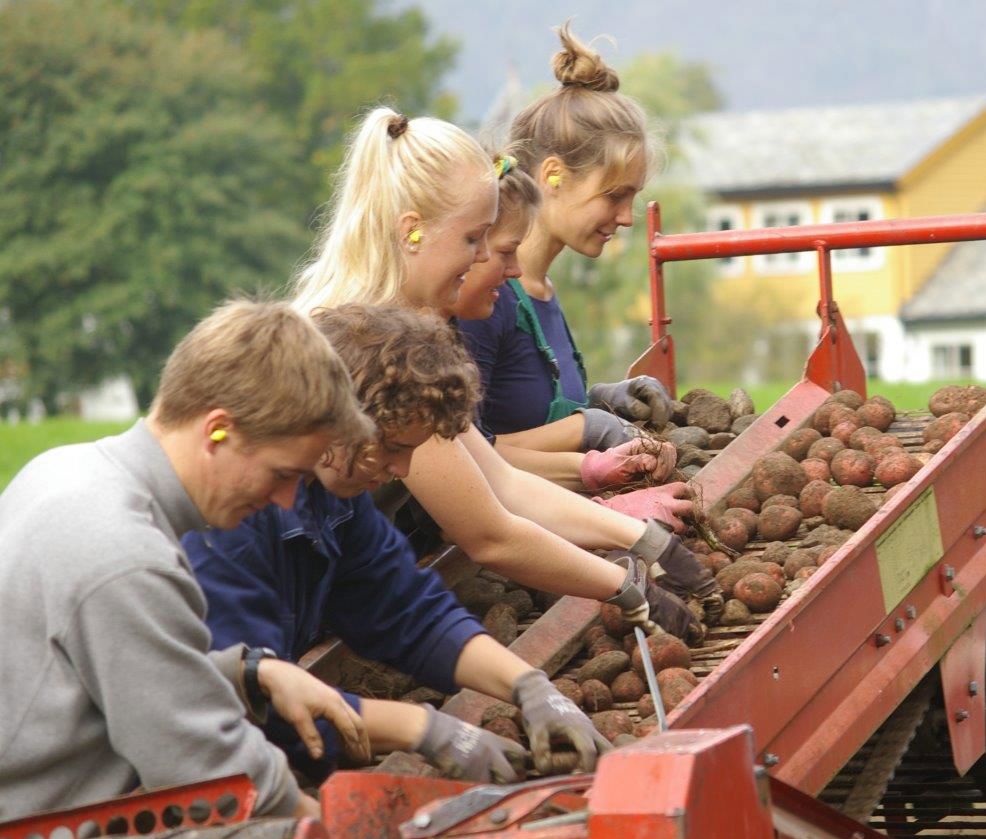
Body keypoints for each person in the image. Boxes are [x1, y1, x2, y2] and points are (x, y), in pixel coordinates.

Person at [290, 109, 720, 626]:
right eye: (475, 240)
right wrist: (624, 586)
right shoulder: (365, 346)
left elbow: (501, 482)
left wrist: (643, 540)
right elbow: (489, 533)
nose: (495, 265)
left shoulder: (400, 333)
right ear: (412, 232)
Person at [186, 304, 615, 780]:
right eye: (392, 448)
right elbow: (254, 703)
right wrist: (426, 729)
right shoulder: (230, 522)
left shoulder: (333, 498)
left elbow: (406, 609)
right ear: (339, 418)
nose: (403, 470)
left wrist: (529, 685)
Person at [0, 302, 373, 819]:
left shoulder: (68, 470)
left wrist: (249, 673)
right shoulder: (124, 551)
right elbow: (210, 771)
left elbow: (101, 679)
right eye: (282, 473)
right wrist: (326, 831)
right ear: (217, 429)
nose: (288, 500)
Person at [457, 22, 675, 445]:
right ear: (553, 175)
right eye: (614, 195)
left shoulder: (542, 290)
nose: (627, 217)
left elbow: (526, 416)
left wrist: (601, 403)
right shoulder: (489, 297)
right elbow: (466, 458)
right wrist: (589, 429)